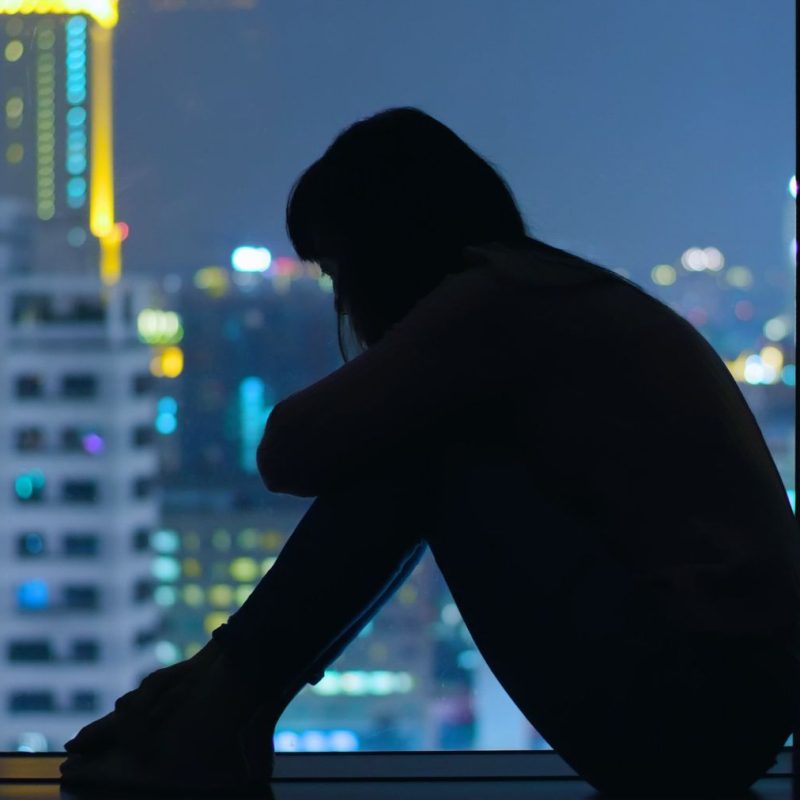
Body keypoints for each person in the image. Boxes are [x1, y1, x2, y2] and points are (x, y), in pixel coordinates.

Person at [60, 107, 800, 797]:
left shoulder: (495, 303)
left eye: (336, 270)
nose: (344, 304)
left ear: (384, 244)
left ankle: (210, 715)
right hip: (726, 707)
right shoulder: (549, 291)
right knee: (430, 440)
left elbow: (289, 452)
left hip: (691, 709)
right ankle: (216, 709)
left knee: (429, 452)